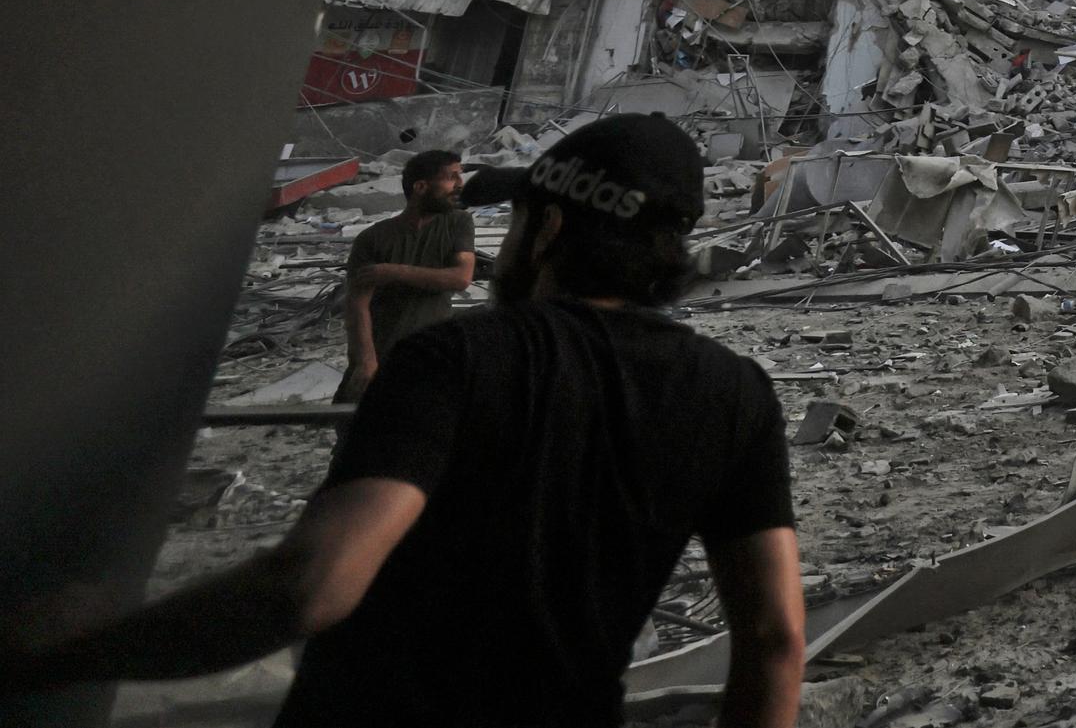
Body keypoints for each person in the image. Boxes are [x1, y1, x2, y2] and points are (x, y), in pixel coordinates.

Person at [0, 114, 804, 728]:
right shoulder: (736, 394)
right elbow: (774, 640)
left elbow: (312, 585)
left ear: (549, 227)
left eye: (519, 218)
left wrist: (76, 647)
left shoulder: (458, 359)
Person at [339, 146, 477, 401]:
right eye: (451, 177)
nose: (459, 184)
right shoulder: (372, 238)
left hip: (432, 354)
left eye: (461, 176)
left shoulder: (459, 223)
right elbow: (357, 305)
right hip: (382, 351)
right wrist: (367, 361)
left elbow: (461, 277)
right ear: (421, 187)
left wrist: (394, 271)